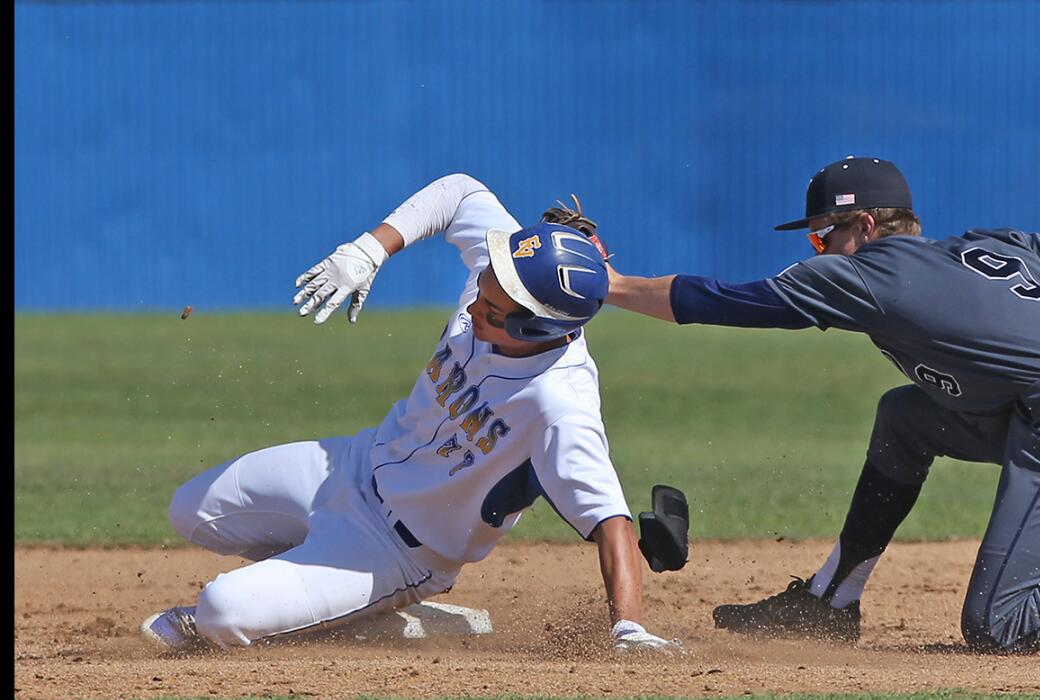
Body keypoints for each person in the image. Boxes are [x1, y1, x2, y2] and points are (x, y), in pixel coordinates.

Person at [603, 156, 1040, 654]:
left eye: (825, 234)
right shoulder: (994, 247)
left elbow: (721, 301)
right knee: (905, 416)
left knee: (999, 625)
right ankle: (832, 601)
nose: (820, 249)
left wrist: (608, 287)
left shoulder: (869, 275)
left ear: (863, 228)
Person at [139, 174, 684, 654]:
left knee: (217, 615)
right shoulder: (505, 279)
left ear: (534, 328)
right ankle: (347, 606)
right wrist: (369, 250)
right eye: (483, 288)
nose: (473, 306)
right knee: (191, 511)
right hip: (349, 464)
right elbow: (460, 192)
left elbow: (610, 520)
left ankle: (373, 606)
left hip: (394, 549)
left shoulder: (559, 406)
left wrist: (628, 629)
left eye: (491, 310)